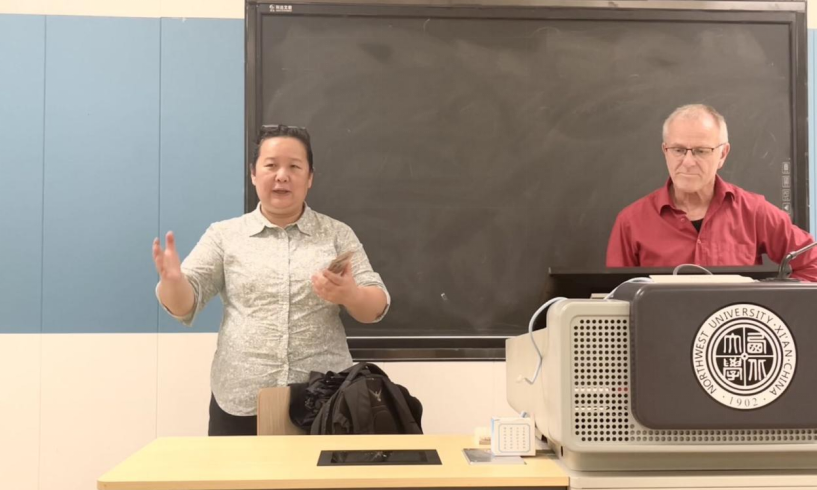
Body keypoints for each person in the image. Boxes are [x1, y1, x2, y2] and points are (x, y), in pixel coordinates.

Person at [152, 125, 390, 436]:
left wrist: (351, 295)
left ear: (310, 177)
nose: (282, 176)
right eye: (271, 165)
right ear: (253, 174)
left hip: (326, 402)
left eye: (294, 167)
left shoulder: (337, 234)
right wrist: (173, 283)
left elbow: (376, 305)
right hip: (240, 399)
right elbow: (186, 303)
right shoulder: (224, 235)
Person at [606, 104, 817, 281]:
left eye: (701, 151)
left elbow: (812, 264)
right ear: (665, 151)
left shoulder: (754, 212)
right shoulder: (631, 222)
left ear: (723, 154)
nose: (688, 162)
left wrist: (774, 302)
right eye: (678, 150)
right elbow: (614, 297)